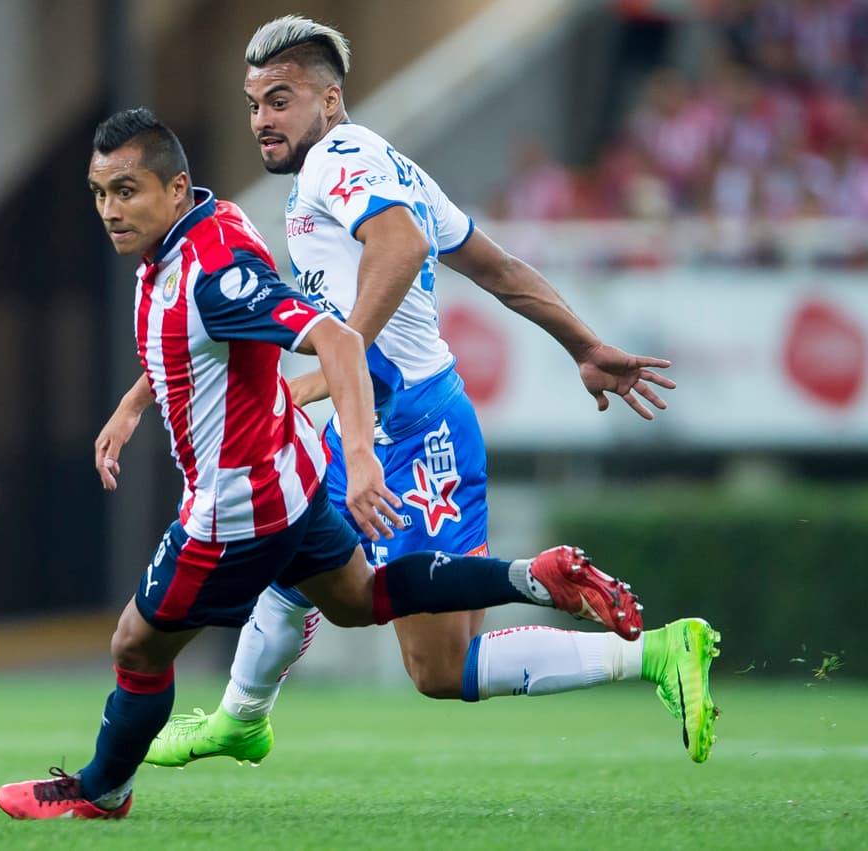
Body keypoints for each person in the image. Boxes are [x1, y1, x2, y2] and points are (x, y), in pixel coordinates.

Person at [0, 108, 647, 820]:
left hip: (236, 507)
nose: (111, 211)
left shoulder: (216, 274)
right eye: (100, 193)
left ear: (176, 188)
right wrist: (132, 403)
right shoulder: (217, 224)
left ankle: (101, 790)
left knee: (138, 644)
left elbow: (335, 340)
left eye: (127, 191)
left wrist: (362, 456)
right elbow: (194, 342)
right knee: (358, 599)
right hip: (294, 473)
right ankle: (532, 575)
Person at [138, 16, 720, 767]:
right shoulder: (383, 166)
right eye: (253, 104)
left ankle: (656, 654)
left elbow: (405, 246)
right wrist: (584, 345)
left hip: (416, 431)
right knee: (291, 551)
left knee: (440, 668)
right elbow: (498, 270)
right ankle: (241, 716)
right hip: (382, 415)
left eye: (279, 101)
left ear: (330, 100)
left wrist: (340, 355)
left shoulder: (337, 160)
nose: (261, 121)